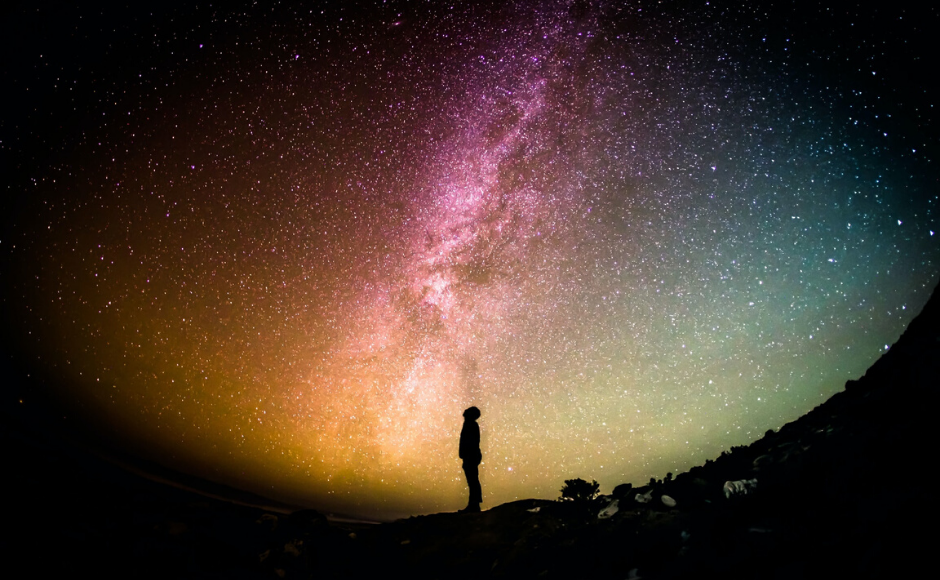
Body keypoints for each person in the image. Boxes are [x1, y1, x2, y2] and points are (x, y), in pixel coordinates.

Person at [459, 406, 482, 513]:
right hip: (470, 455)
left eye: (467, 411)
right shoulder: (470, 424)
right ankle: (473, 504)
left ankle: (474, 505)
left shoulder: (471, 425)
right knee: (472, 480)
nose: (464, 411)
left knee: (472, 480)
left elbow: (471, 442)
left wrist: (467, 455)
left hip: (471, 455)